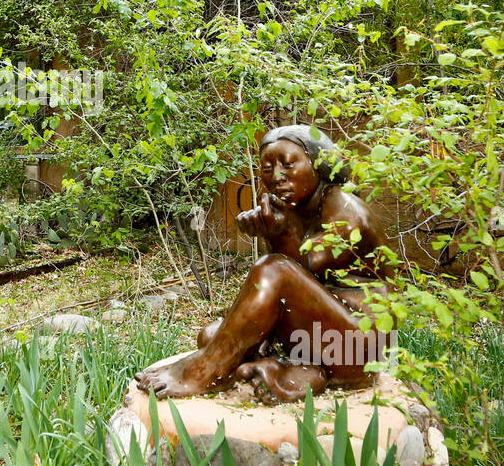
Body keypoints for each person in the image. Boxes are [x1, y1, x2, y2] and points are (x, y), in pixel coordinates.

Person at [135, 125, 395, 402]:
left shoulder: (346, 211)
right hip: (322, 336)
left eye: (288, 164)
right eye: (268, 168)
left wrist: (279, 233)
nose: (277, 176)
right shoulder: (299, 207)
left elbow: (295, 270)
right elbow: (300, 287)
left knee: (271, 270)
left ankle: (202, 373)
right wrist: (277, 230)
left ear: (318, 163)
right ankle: (301, 374)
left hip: (359, 348)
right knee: (213, 336)